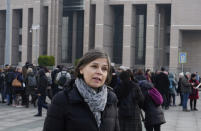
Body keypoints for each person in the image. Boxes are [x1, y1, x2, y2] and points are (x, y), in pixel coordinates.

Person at [43, 49, 120, 131]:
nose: (99, 72)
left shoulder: (111, 99)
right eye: (94, 66)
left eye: (104, 69)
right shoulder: (62, 99)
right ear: (81, 69)